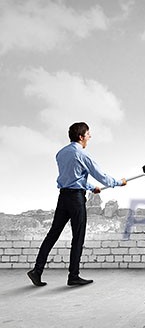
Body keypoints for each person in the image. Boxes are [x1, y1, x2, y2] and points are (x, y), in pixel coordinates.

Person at [27, 122, 127, 287]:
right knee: (78, 237)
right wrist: (119, 182)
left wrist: (89, 187)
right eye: (88, 134)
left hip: (63, 197)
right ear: (81, 136)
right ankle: (73, 276)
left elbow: (71, 177)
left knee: (52, 234)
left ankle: (37, 271)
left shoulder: (61, 154)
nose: (90, 137)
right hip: (76, 200)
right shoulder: (82, 154)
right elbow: (101, 176)